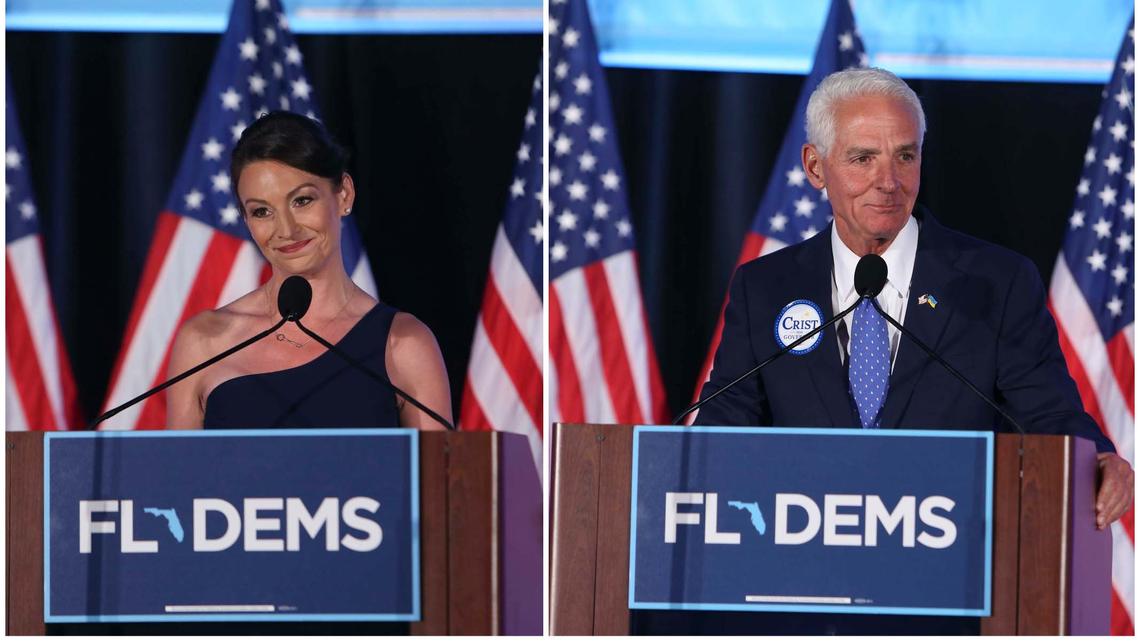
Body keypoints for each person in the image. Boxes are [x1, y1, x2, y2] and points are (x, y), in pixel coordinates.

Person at [694, 67, 1132, 530]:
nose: (889, 181)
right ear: (815, 167)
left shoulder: (994, 283)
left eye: (905, 156)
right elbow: (725, 421)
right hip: (806, 559)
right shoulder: (766, 287)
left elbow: (1050, 414)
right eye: (862, 159)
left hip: (954, 553)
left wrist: (1097, 459)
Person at [166, 111, 451, 431]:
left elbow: (441, 479)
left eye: (302, 201)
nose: (286, 229)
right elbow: (180, 478)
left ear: (344, 194)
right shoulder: (203, 342)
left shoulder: (404, 343)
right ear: (247, 221)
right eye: (262, 211)